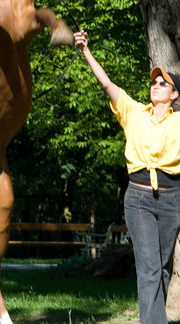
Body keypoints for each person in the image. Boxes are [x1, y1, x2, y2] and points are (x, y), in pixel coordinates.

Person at [74, 30, 180, 324]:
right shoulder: (134, 112)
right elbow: (106, 83)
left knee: (161, 268)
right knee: (148, 266)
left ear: (174, 95)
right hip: (139, 197)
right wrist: (86, 51)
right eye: (154, 81)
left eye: (164, 83)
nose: (156, 85)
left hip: (173, 198)